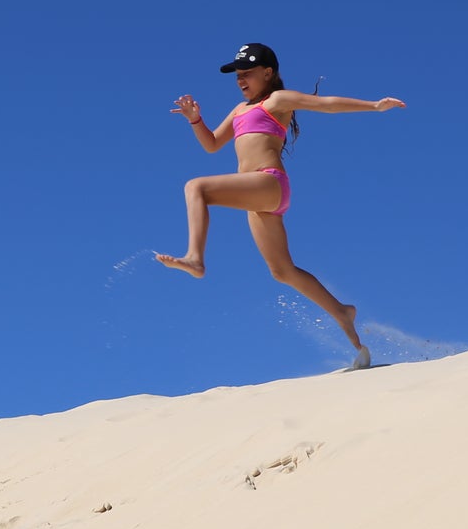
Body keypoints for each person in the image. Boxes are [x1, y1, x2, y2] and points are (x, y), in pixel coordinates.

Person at [156, 42, 406, 370]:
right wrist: (195, 119)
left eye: (247, 73)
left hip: (268, 182)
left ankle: (195, 259)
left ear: (268, 72)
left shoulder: (277, 100)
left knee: (196, 187)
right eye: (237, 76)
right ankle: (342, 312)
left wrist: (374, 106)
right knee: (282, 271)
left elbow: (327, 104)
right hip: (255, 198)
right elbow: (212, 145)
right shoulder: (239, 110)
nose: (241, 80)